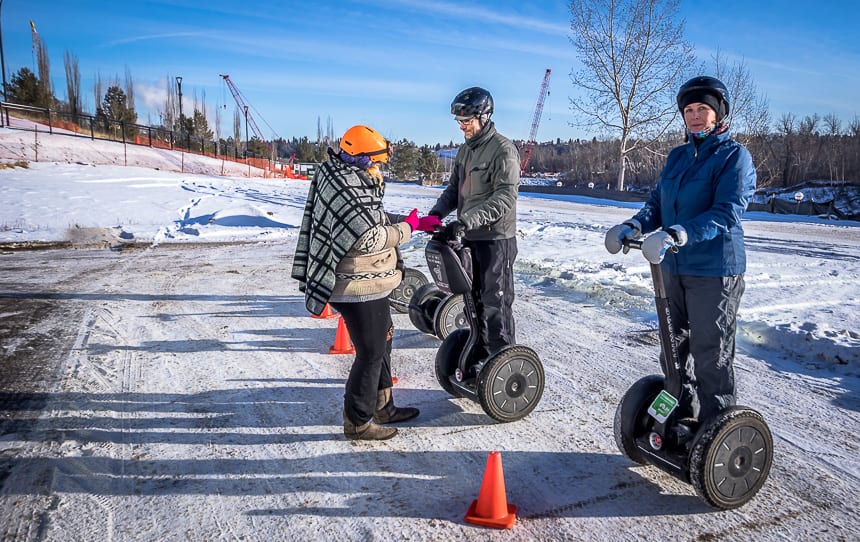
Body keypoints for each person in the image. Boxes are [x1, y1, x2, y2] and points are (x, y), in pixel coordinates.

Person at [604, 75, 756, 425]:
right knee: (673, 349)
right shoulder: (677, 157)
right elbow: (658, 201)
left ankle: (713, 431)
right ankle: (679, 415)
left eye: (703, 108)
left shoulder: (734, 157)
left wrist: (678, 233)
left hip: (715, 270)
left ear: (719, 114)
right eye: (689, 109)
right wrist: (635, 225)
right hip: (673, 266)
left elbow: (727, 211)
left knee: (710, 355)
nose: (695, 116)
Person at [291, 125, 440, 441]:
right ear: (360, 157)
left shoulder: (343, 174)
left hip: (368, 280)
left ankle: (383, 404)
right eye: (377, 160)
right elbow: (368, 237)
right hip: (356, 284)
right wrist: (408, 228)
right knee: (370, 352)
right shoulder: (348, 186)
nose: (380, 166)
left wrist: (410, 222)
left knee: (383, 339)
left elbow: (372, 218)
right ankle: (357, 422)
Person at [426, 86, 521, 357]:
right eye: (459, 122)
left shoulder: (503, 150)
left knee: (495, 302)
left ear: (484, 116)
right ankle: (478, 352)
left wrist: (465, 221)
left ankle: (502, 359)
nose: (462, 127)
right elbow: (454, 189)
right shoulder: (466, 151)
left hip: (495, 240)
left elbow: (505, 197)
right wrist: (436, 215)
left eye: (466, 122)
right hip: (470, 237)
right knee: (473, 299)